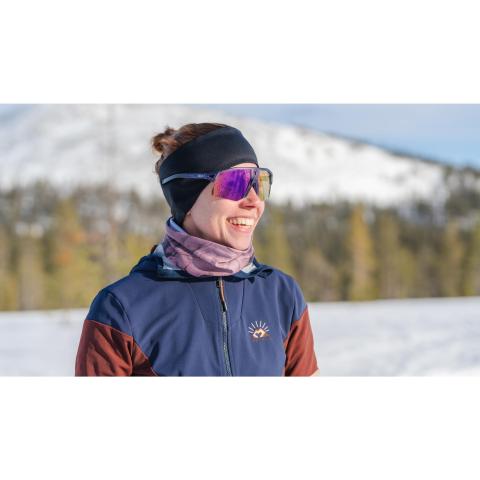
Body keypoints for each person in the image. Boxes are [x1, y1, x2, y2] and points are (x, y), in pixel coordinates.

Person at [75, 123, 319, 376]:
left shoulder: (281, 295)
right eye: (235, 183)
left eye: (259, 182)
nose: (254, 201)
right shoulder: (120, 308)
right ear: (186, 198)